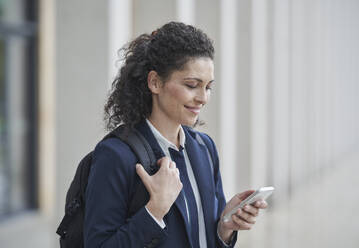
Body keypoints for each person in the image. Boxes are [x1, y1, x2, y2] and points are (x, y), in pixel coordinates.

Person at [84, 21, 267, 248]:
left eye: (208, 87)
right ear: (155, 82)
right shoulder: (116, 155)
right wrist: (155, 210)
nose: (203, 98)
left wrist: (224, 227)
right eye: (192, 85)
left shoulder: (204, 148)